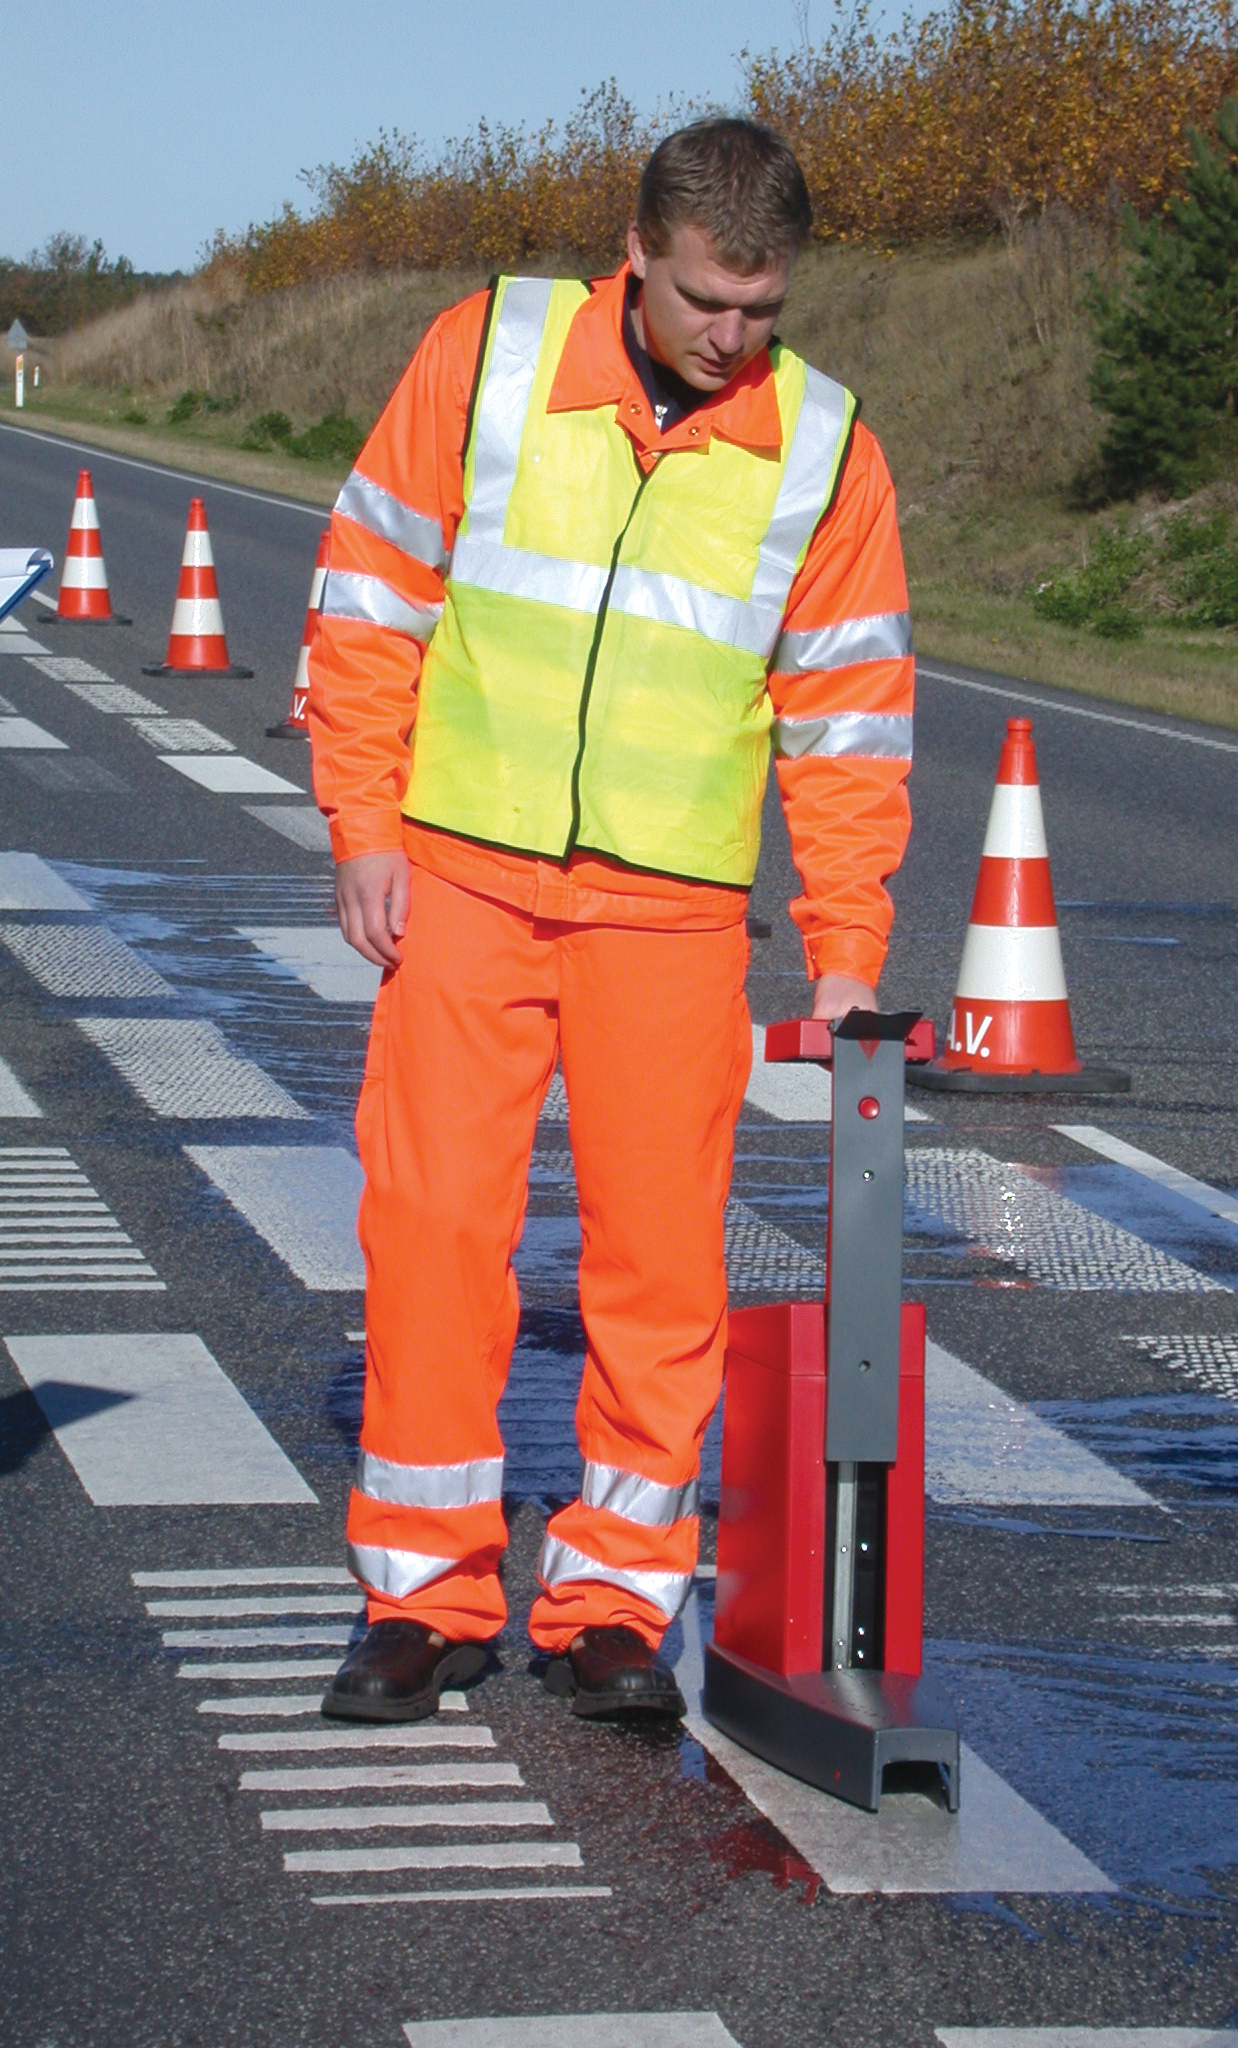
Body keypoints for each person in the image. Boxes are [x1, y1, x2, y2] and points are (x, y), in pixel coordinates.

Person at [306, 118, 915, 1724]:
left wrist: (846, 946)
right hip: (464, 881)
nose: (739, 339)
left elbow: (848, 716)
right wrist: (364, 824)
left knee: (658, 1268)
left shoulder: (824, 446)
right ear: (637, 257)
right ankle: (422, 1597)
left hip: (673, 914)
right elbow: (370, 597)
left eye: (768, 311)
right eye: (713, 301)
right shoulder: (488, 353)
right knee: (434, 1237)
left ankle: (614, 1604)